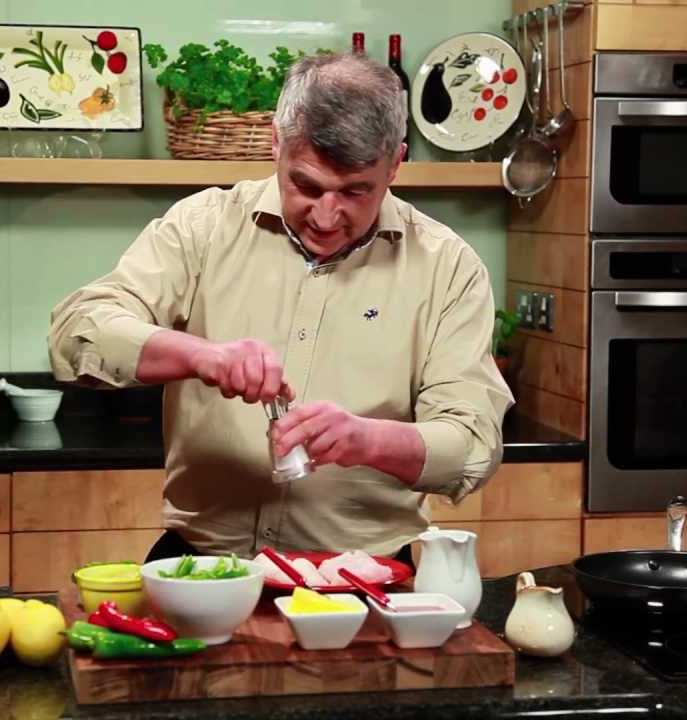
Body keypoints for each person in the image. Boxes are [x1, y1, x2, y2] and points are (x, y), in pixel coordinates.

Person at [48, 52, 513, 566]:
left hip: (366, 576)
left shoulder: (447, 266)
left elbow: (472, 446)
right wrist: (200, 356)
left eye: (357, 191)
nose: (327, 216)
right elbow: (77, 333)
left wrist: (368, 439)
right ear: (276, 143)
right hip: (202, 566)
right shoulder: (203, 226)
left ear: (397, 162)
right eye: (307, 185)